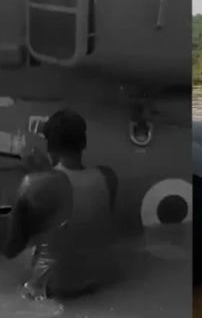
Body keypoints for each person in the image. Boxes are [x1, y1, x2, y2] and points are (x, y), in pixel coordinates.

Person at [1, 108, 118, 300]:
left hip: (51, 292)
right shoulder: (108, 177)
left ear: (49, 146)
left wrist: (35, 178)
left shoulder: (34, 183)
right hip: (95, 285)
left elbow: (12, 248)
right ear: (84, 143)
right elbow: (80, 222)